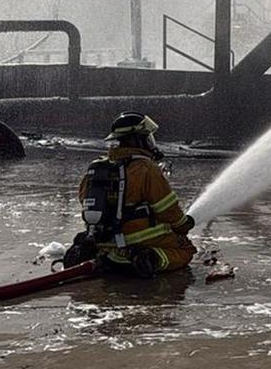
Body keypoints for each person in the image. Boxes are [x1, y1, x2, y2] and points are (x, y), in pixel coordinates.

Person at [63, 112, 197, 277]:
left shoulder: (99, 168)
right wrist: (184, 225)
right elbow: (167, 209)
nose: (151, 142)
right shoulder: (146, 168)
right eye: (147, 138)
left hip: (105, 241)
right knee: (186, 249)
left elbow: (84, 198)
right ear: (138, 140)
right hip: (138, 241)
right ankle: (151, 258)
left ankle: (98, 254)